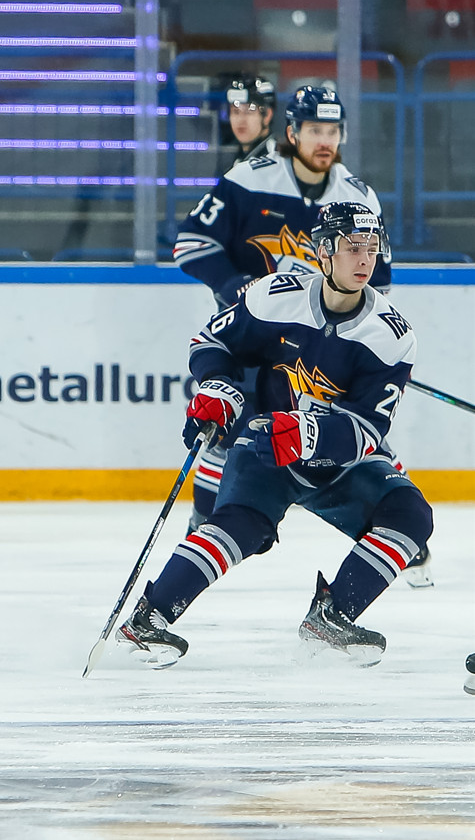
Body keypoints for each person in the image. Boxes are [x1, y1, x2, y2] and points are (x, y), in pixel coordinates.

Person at [119, 201, 432, 669]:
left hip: (337, 462)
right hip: (265, 445)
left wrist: (311, 434)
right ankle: (150, 618)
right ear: (323, 251)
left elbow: (368, 428)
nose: (365, 260)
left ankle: (333, 616)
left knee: (411, 516)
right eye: (352, 248)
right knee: (242, 526)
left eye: (372, 248)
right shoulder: (274, 296)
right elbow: (212, 342)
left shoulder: (390, 334)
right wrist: (216, 384)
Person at [168, 85, 429, 585]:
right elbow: (191, 242)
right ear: (292, 133)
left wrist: (364, 341)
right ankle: (208, 526)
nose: (324, 140)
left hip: (326, 338)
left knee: (354, 435)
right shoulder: (251, 177)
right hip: (260, 334)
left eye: (332, 131)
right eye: (314, 130)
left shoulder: (359, 196)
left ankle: (393, 531)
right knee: (228, 434)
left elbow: (381, 283)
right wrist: (234, 287)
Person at [219, 73, 278, 168]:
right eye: (236, 111)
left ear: (267, 115)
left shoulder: (276, 158)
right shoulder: (233, 158)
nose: (241, 120)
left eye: (249, 111)